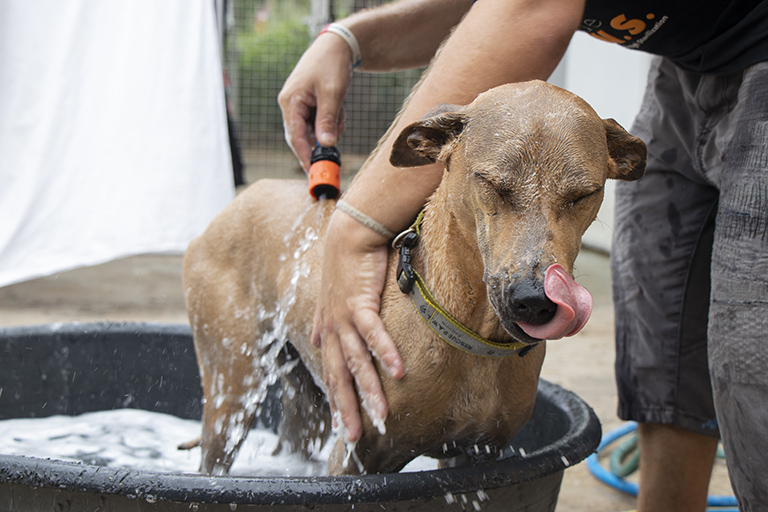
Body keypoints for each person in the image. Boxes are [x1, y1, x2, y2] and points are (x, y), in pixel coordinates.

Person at [278, 0, 768, 510]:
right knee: (663, 362)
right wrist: (348, 39)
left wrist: (355, 225)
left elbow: (533, 9)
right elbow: (484, 7)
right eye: (499, 190)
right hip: (683, 63)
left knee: (756, 377)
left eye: (579, 196)